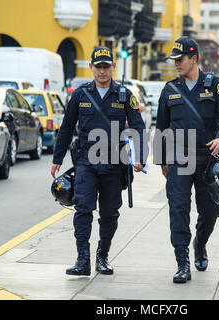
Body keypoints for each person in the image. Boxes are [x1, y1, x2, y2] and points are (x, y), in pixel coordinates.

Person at [51, 46, 146, 276]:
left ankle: (102, 257)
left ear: (113, 67)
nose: (102, 71)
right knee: (83, 209)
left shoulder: (124, 95)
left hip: (114, 163)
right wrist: (57, 158)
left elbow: (138, 127)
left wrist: (139, 157)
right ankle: (82, 260)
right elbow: (66, 128)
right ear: (90, 67)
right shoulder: (80, 95)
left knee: (110, 213)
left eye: (106, 66)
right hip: (86, 162)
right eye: (98, 66)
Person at [154, 36, 219, 283]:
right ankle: (182, 262)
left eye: (180, 60)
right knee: (178, 210)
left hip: (207, 160)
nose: (176, 64)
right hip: (179, 159)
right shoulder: (169, 90)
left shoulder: (214, 85)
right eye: (174, 60)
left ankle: (200, 244)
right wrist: (162, 161)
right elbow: (161, 128)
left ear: (194, 59)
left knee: (210, 212)